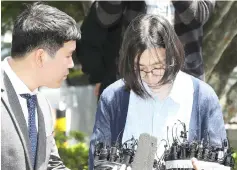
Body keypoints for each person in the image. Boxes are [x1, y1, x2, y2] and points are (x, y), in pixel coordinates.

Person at [89, 14, 226, 170]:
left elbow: (219, 161)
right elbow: (97, 162)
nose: (150, 76)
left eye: (157, 67)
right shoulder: (113, 98)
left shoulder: (203, 97)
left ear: (172, 55)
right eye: (140, 68)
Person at [77, 0, 215, 99]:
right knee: (137, 137)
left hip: (183, 75)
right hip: (135, 78)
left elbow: (198, 16)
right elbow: (105, 18)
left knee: (182, 136)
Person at [1, 2, 80, 170]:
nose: (72, 64)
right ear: (41, 57)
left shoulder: (42, 103)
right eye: (68, 55)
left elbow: (51, 164)